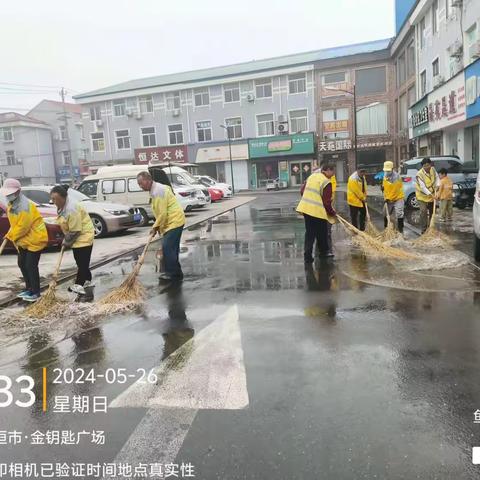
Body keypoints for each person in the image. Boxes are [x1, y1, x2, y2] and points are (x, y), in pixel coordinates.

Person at [0, 178, 48, 302]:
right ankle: (29, 288)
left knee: (30, 265)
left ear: (18, 191)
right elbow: (15, 224)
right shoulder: (12, 204)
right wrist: (9, 233)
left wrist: (11, 236)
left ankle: (36, 292)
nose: (8, 195)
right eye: (7, 193)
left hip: (35, 238)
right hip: (24, 240)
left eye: (11, 193)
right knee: (22, 263)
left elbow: (23, 227)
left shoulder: (24, 206)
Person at [137, 171, 185, 282]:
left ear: (148, 180)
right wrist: (158, 227)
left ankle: (172, 274)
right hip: (172, 221)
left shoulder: (158, 191)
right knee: (172, 248)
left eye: (141, 183)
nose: (140, 186)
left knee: (168, 248)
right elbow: (160, 212)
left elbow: (162, 213)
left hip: (174, 221)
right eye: (138, 184)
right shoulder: (155, 190)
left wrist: (155, 227)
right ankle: (177, 273)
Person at [50, 185, 95, 295]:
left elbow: (75, 230)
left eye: (56, 199)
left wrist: (66, 242)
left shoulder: (71, 208)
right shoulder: (63, 205)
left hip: (83, 236)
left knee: (82, 263)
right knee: (82, 261)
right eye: (52, 199)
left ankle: (79, 285)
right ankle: (88, 281)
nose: (54, 201)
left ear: (64, 197)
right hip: (78, 237)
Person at [296, 163, 337, 263]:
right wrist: (332, 212)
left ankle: (307, 257)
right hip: (317, 211)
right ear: (327, 170)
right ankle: (324, 252)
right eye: (332, 171)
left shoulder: (312, 176)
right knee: (322, 232)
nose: (333, 174)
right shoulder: (326, 182)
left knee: (309, 234)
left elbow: (302, 191)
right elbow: (327, 202)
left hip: (306, 209)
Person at [415, 157, 440, 233]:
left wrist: (438, 185)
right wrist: (431, 195)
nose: (427, 167)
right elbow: (423, 187)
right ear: (422, 166)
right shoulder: (419, 174)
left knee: (433, 211)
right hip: (422, 195)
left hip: (432, 193)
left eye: (428, 165)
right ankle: (424, 229)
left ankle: (431, 228)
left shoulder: (433, 169)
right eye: (425, 166)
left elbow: (437, 178)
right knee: (423, 211)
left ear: (430, 164)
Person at [382, 161, 405, 233]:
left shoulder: (396, 177)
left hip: (398, 197)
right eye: (385, 170)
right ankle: (386, 229)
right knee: (385, 213)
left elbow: (394, 190)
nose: (387, 172)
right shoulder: (385, 176)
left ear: (392, 169)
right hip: (389, 198)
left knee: (399, 213)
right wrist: (382, 187)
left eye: (388, 171)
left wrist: (387, 198)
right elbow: (385, 187)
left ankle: (400, 230)